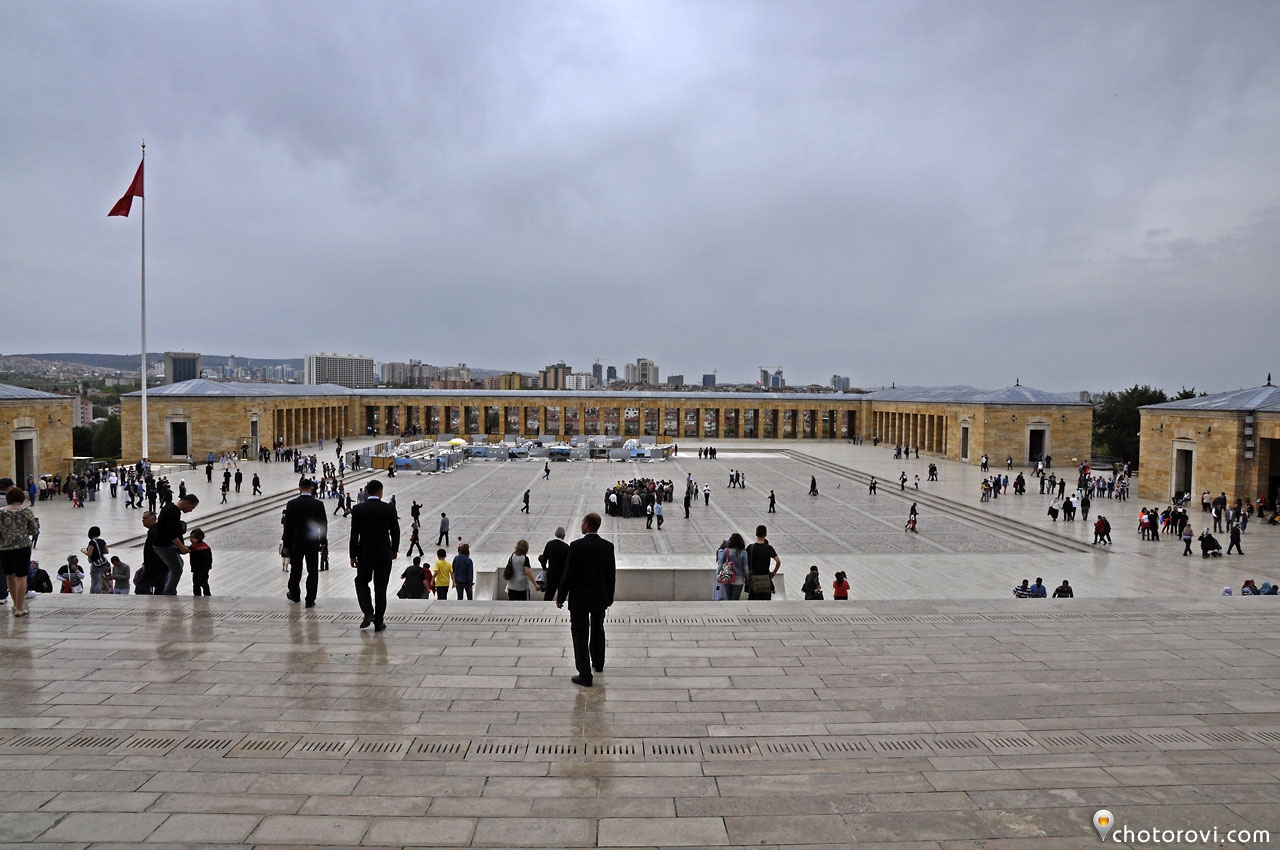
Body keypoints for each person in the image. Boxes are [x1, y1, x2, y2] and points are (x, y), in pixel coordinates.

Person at [555, 513, 616, 687]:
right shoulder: (607, 546)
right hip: (599, 597)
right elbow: (611, 574)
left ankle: (585, 674)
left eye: (583, 522)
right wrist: (609, 596)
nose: (581, 525)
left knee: (580, 634)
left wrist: (561, 597)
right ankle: (598, 662)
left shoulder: (576, 546)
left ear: (588, 525)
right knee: (598, 629)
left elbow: (568, 574)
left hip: (579, 598)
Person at [349, 479, 399, 631]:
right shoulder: (388, 508)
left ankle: (368, 612)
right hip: (384, 553)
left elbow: (354, 534)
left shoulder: (358, 509)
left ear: (366, 492)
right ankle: (379, 622)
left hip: (364, 553)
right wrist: (394, 550)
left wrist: (352, 555)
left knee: (361, 582)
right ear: (380, 492)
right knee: (381, 588)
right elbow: (395, 531)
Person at [282, 477, 327, 607]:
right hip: (312, 542)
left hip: (296, 543)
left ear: (299, 489)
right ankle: (310, 599)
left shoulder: (292, 504)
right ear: (312, 488)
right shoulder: (318, 504)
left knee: (296, 569)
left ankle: (295, 594)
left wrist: (286, 545)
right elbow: (323, 524)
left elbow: (287, 526)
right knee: (313, 571)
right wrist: (323, 541)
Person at [0, 486, 39, 616]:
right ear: (22, 499)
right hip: (23, 547)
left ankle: (15, 604)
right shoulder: (26, 512)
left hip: (5, 548)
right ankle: (19, 608)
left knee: (10, 576)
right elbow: (33, 530)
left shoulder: (1, 512)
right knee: (21, 577)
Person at [155, 494, 199, 595]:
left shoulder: (170, 507)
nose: (190, 510)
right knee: (177, 569)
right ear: (187, 503)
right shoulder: (173, 511)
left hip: (163, 543)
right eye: (191, 507)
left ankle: (167, 587)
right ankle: (169, 592)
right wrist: (181, 547)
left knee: (178, 564)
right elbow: (171, 534)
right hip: (163, 545)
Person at [745, 525, 781, 601]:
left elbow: (745, 563)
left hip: (754, 579)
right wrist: (773, 572)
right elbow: (778, 561)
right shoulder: (769, 548)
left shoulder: (750, 547)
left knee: (753, 602)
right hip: (765, 579)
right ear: (765, 534)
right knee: (766, 602)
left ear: (756, 533)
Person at [538, 528, 570, 602]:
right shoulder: (566, 547)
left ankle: (545, 605)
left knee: (549, 593)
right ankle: (560, 604)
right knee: (561, 593)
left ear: (555, 534)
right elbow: (568, 563)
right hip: (562, 574)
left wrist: (544, 567)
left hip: (551, 573)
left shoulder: (549, 544)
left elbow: (544, 558)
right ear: (564, 536)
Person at [715, 534, 748, 601]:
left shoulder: (726, 551)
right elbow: (745, 566)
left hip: (728, 576)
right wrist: (747, 577)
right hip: (739, 577)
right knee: (735, 599)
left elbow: (721, 563)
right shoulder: (743, 552)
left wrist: (718, 573)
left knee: (729, 598)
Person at [83, 525, 110, 594]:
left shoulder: (92, 542)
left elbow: (89, 553)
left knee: (95, 582)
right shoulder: (102, 541)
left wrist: (83, 551)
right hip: (103, 563)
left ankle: (99, 595)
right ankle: (91, 594)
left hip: (95, 564)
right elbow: (106, 551)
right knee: (95, 580)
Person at [188, 528, 212, 596]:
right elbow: (210, 557)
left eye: (192, 537)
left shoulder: (193, 547)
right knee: (205, 583)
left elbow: (185, 550)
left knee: (196, 585)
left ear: (198, 538)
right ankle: (207, 595)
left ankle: (197, 597)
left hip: (197, 570)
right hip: (205, 569)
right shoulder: (206, 546)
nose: (190, 539)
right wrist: (209, 566)